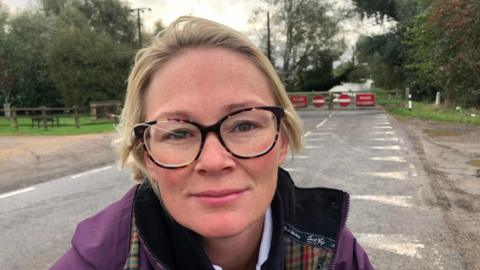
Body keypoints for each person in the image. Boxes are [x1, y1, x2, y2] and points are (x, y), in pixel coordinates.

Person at [51, 16, 373, 270]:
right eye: (178, 133)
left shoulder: (332, 254)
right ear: (146, 156)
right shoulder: (102, 262)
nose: (215, 161)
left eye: (244, 124)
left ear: (282, 140)